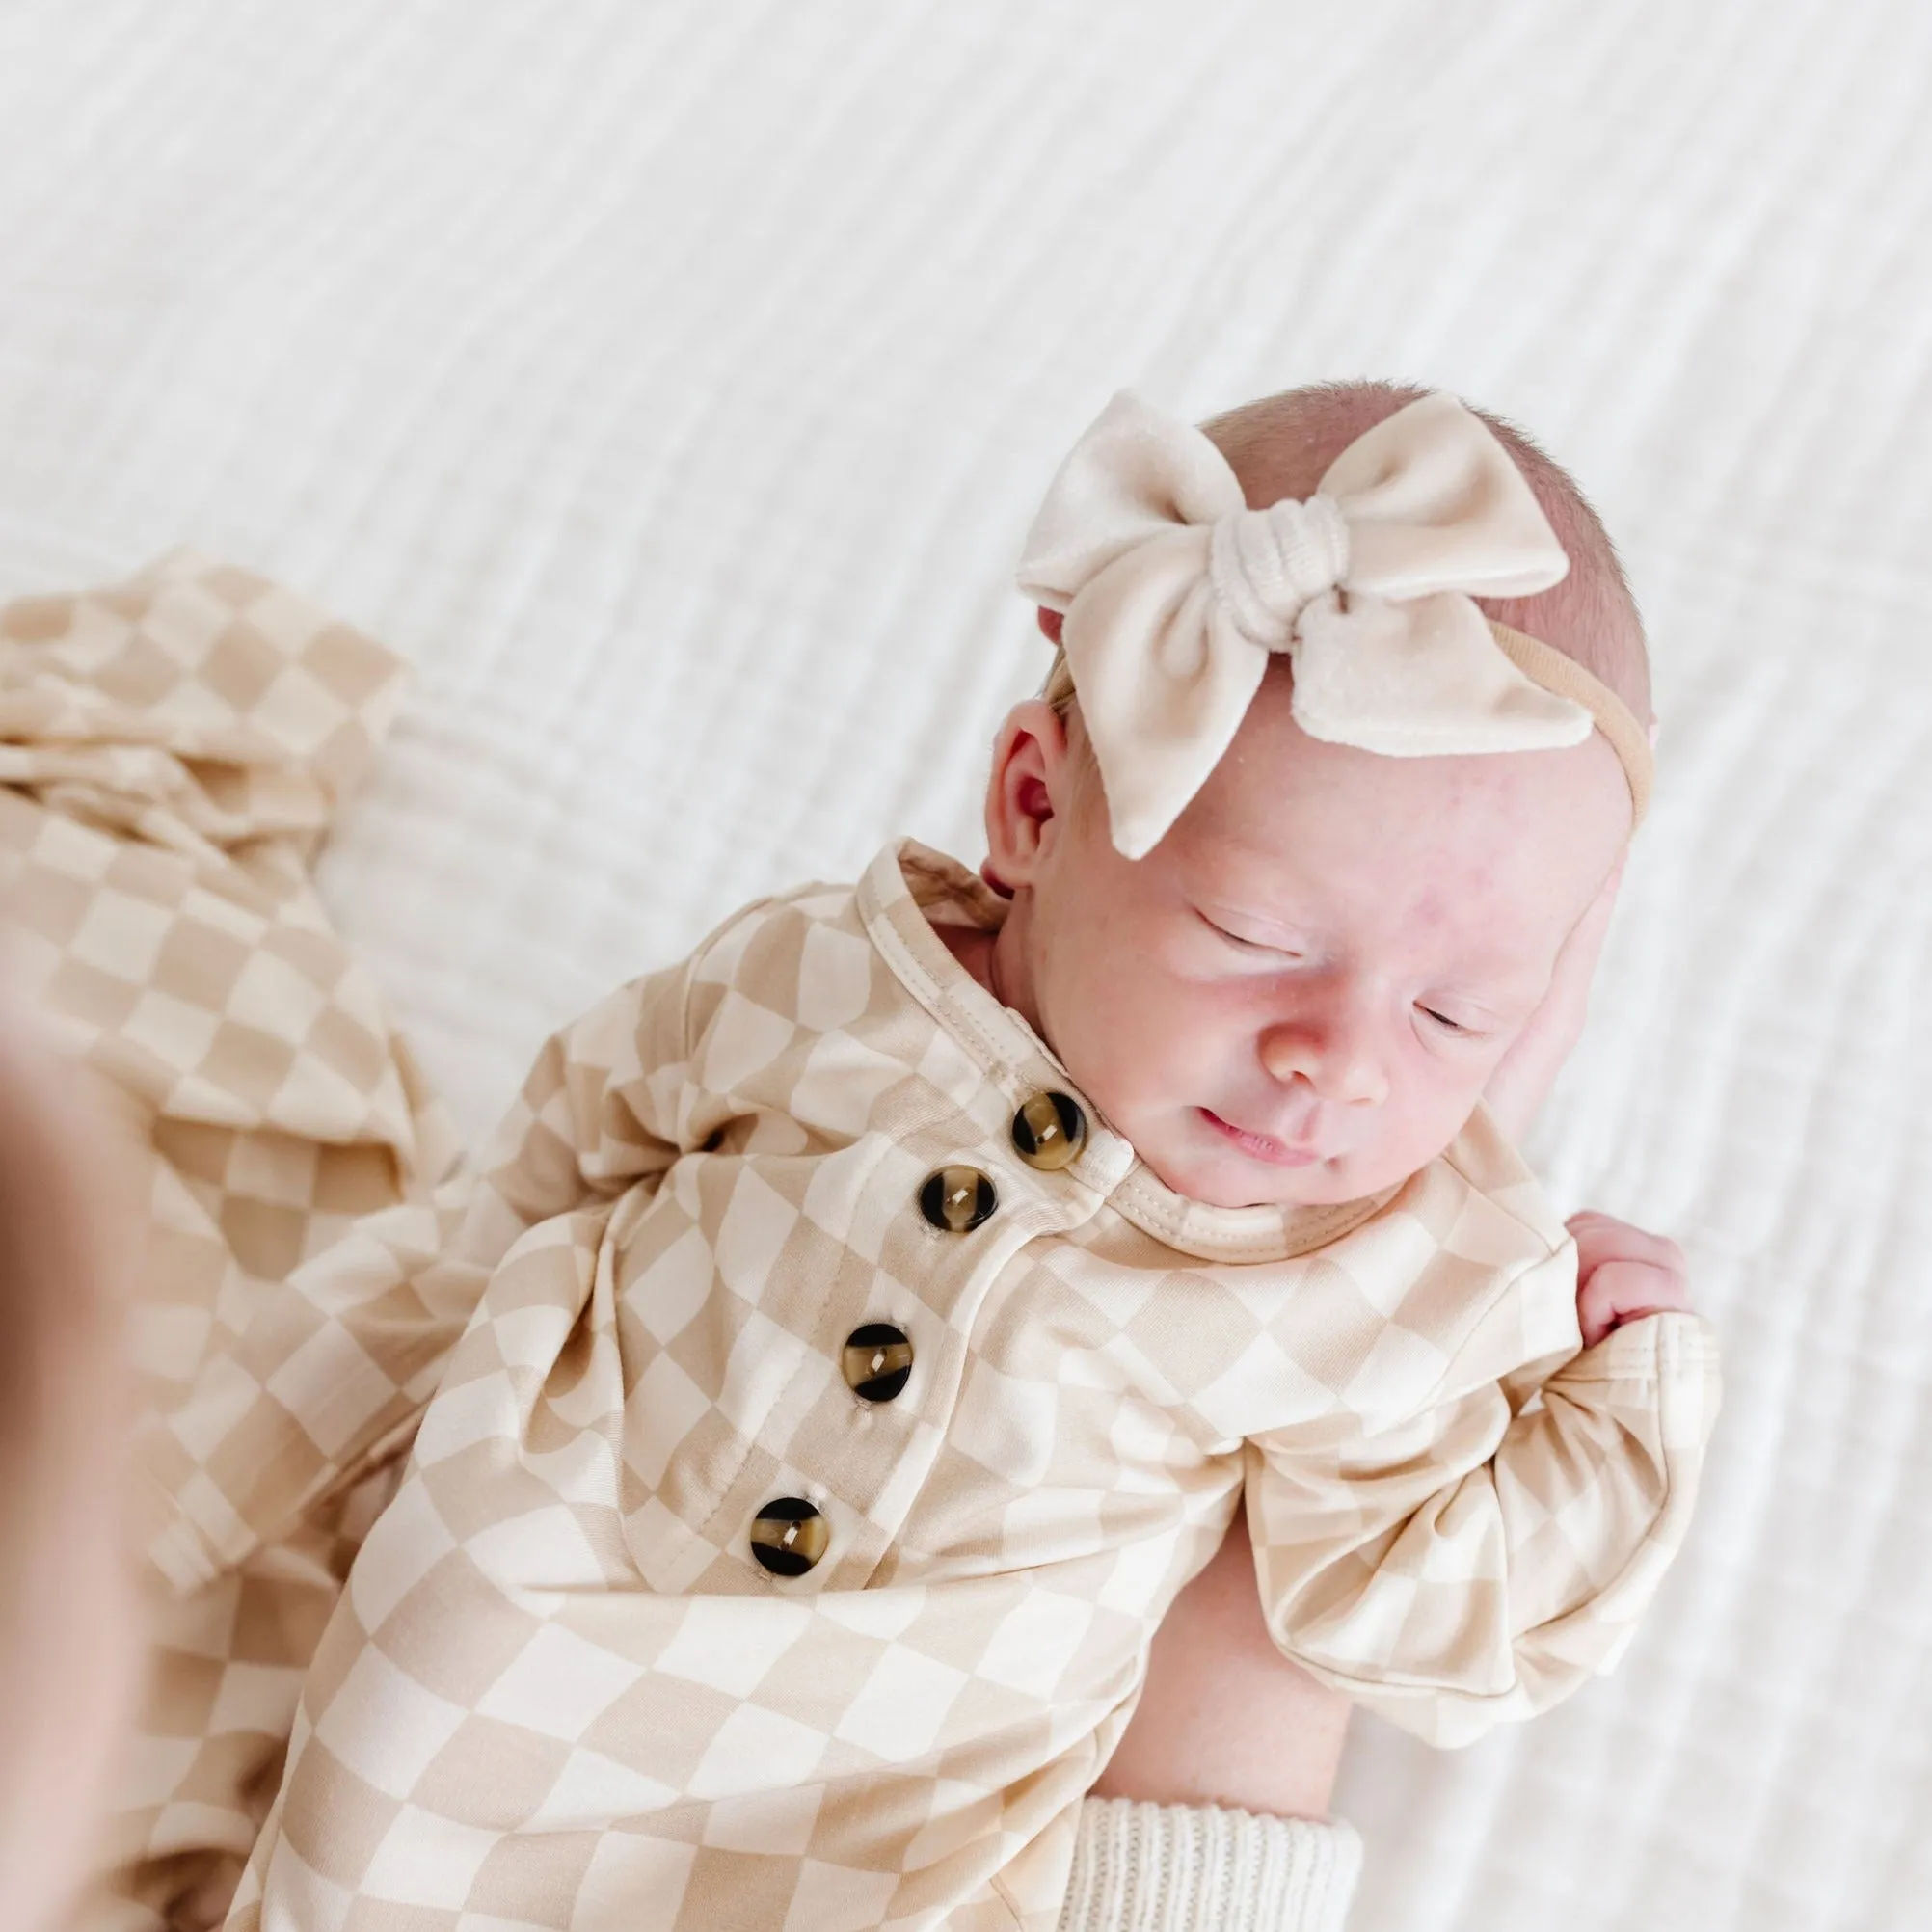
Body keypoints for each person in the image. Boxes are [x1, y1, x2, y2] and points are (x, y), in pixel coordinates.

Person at [197, 381, 1716, 1931]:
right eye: (1256, 936)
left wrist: (1623, 1400)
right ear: (1036, 808)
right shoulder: (838, 981)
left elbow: (1428, 1617)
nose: (1337, 1057)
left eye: (1458, 1016)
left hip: (876, 1840)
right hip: (510, 1648)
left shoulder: (1374, 1277)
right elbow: (580, 1134)